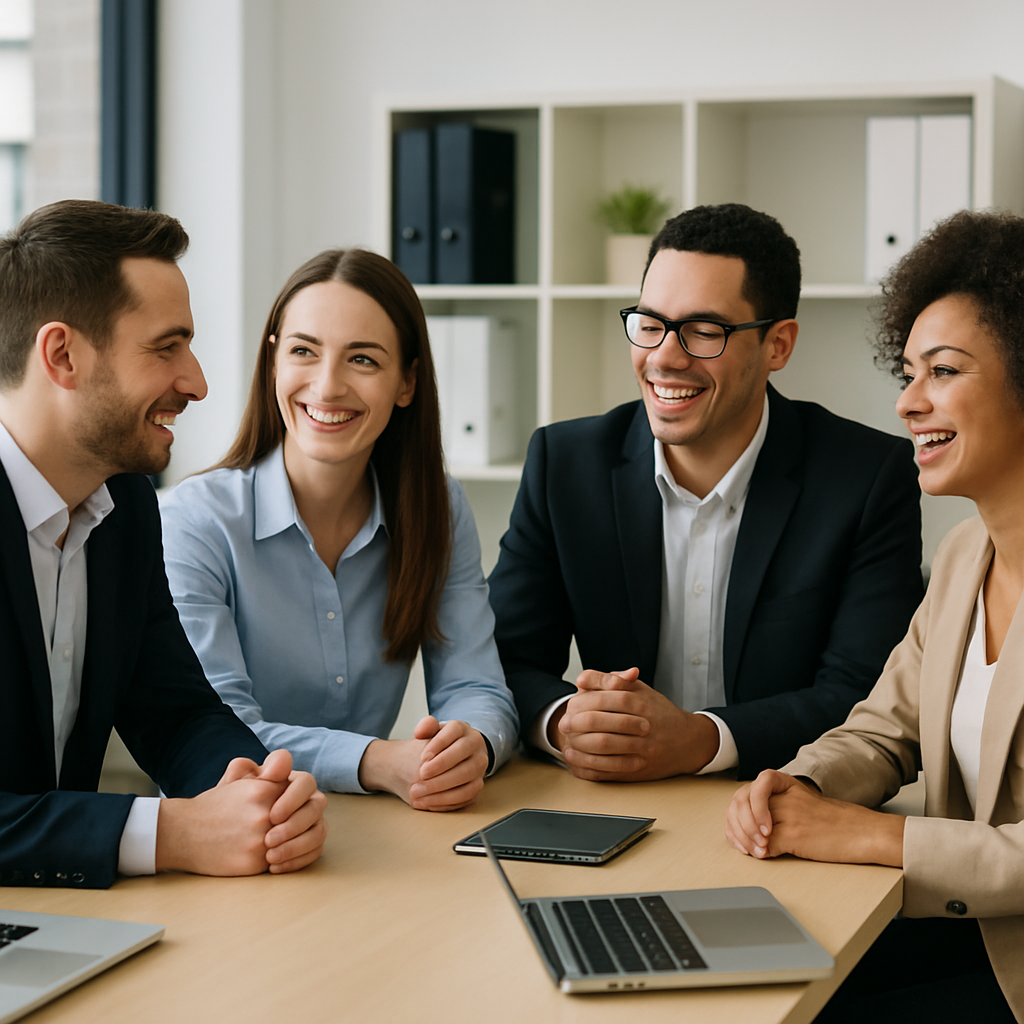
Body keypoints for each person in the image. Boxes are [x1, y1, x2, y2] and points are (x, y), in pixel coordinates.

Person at [488, 203, 924, 782]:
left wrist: (700, 740)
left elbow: (866, 698)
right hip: (607, 803)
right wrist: (568, 719)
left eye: (703, 331)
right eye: (649, 323)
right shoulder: (564, 465)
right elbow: (503, 661)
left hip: (783, 805)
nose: (665, 357)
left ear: (778, 346)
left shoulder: (866, 478)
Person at [725, 210, 1024, 1023]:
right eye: (909, 370)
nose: (907, 403)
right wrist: (802, 785)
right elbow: (884, 730)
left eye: (944, 372)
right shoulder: (967, 555)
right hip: (980, 926)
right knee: (741, 981)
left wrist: (868, 837)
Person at [0, 199, 327, 890]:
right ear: (62, 355)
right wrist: (172, 832)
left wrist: (252, 791)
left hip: (56, 918)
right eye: (165, 347)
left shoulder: (126, 508)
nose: (198, 383)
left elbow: (176, 713)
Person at [159, 248, 518, 811]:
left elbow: (476, 686)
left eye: (363, 360)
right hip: (234, 831)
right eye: (304, 351)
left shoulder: (437, 507)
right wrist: (376, 760)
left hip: (379, 831)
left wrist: (470, 743)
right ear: (273, 361)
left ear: (406, 382)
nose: (326, 388)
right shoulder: (196, 520)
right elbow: (216, 730)